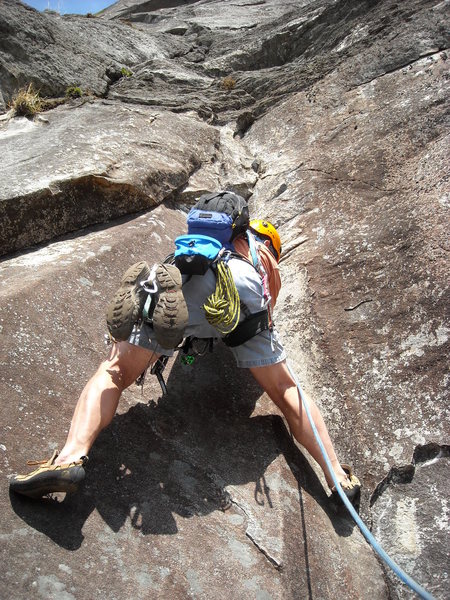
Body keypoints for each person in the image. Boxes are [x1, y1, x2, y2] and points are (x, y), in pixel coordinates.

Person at [9, 191, 360, 506]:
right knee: (286, 390)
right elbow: (269, 305)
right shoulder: (262, 253)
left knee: (113, 372)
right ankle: (337, 479)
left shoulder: (199, 241)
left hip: (176, 273)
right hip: (235, 288)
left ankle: (69, 458)